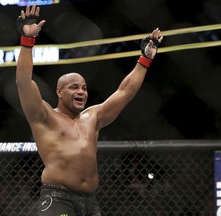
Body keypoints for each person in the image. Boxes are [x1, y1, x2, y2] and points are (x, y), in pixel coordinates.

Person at [16, 5, 163, 216]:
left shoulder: (93, 117)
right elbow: (23, 82)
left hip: (90, 202)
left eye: (84, 88)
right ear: (59, 91)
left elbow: (124, 93)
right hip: (58, 199)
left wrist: (145, 59)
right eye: (74, 87)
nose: (81, 92)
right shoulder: (44, 116)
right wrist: (27, 42)